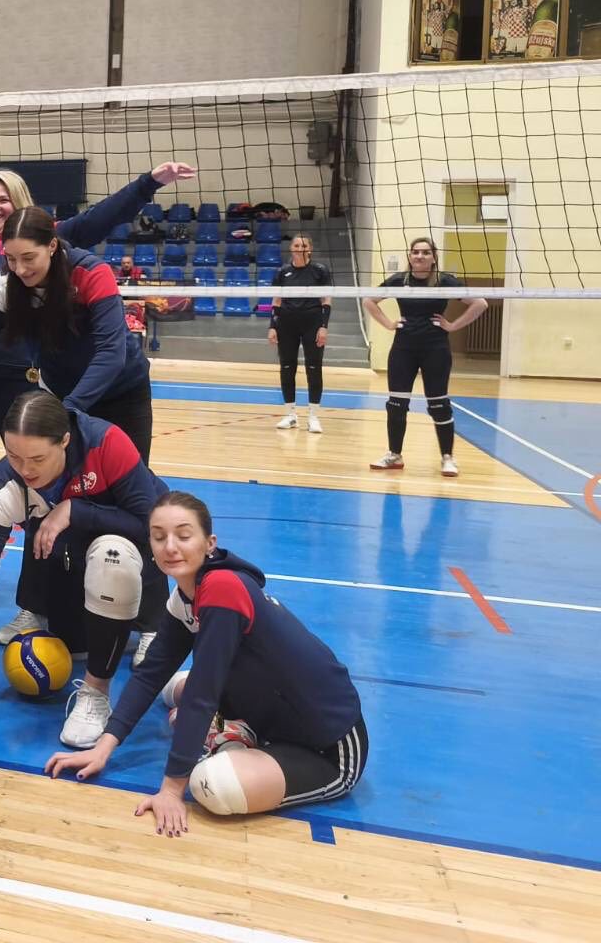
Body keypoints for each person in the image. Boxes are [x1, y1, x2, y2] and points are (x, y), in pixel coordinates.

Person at [0, 82, 194, 646]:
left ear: (52, 247)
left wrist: (68, 414)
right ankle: (38, 608)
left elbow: (111, 351)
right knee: (41, 496)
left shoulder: (89, 273)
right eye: (10, 260)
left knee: (132, 502)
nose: (18, 269)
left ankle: (150, 621)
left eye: (27, 259)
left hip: (119, 393)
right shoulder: (6, 281)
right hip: (63, 398)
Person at [46, 491, 367, 836]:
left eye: (184, 536)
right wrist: (103, 747)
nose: (170, 546)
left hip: (326, 745)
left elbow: (202, 695)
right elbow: (150, 674)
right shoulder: (186, 595)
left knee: (211, 786)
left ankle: (231, 731)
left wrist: (172, 790)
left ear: (209, 543)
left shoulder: (223, 588)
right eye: (159, 537)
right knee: (172, 689)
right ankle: (234, 728)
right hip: (269, 710)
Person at [0, 392, 168, 750]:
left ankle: (107, 678)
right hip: (71, 551)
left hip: (136, 545)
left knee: (111, 555)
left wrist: (75, 510)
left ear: (65, 441)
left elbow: (150, 525)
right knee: (75, 646)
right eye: (14, 456)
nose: (25, 470)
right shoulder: (4, 484)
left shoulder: (106, 443)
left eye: (37, 458)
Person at [362, 237, 488, 476]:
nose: (420, 256)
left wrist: (453, 325)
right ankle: (394, 455)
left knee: (438, 404)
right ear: (410, 256)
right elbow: (369, 300)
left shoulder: (444, 281)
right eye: (416, 252)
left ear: (434, 257)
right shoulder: (399, 280)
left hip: (435, 348)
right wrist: (388, 324)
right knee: (396, 403)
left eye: (425, 252)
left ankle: (447, 458)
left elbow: (480, 304)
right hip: (403, 349)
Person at [269, 235, 334, 433]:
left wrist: (323, 326)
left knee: (314, 368)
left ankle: (313, 416)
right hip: (286, 325)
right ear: (291, 248)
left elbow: (326, 300)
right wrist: (273, 326)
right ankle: (290, 415)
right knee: (287, 367)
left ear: (310, 249)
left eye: (304, 245)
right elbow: (276, 301)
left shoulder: (320, 271)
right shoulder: (282, 272)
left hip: (312, 324)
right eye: (296, 245)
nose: (300, 248)